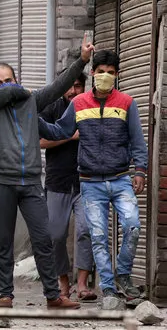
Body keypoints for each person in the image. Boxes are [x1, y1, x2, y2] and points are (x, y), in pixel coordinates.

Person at [0, 34, 94, 310]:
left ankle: (53, 296)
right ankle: (5, 295)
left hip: (30, 182)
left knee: (44, 240)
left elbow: (59, 88)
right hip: (1, 182)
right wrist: (22, 91)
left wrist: (82, 61)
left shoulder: (30, 104)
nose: (5, 86)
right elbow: (10, 94)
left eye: (9, 80)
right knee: (3, 242)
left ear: (16, 79)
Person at [38, 49, 146, 307]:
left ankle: (123, 276)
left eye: (110, 73)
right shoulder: (78, 104)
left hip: (120, 179)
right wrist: (33, 119)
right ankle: (108, 288)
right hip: (90, 182)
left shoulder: (127, 103)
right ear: (94, 73)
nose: (105, 76)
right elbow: (58, 130)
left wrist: (140, 170)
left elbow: (137, 140)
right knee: (97, 237)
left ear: (117, 75)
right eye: (101, 72)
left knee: (132, 226)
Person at [39, 71, 96, 302]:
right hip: (57, 181)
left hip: (87, 181)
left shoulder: (91, 108)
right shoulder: (52, 109)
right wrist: (70, 136)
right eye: (70, 86)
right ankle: (63, 283)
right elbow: (40, 141)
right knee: (55, 235)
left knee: (86, 231)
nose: (73, 91)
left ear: (84, 87)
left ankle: (82, 284)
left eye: (78, 86)